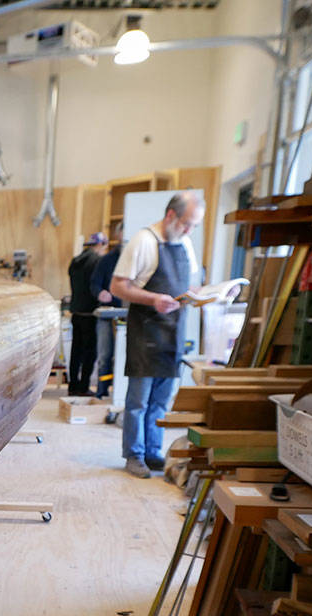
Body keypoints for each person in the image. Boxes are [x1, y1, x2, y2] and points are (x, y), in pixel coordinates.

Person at [110, 191, 204, 479]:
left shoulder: (184, 243)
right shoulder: (143, 241)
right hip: (146, 331)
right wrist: (153, 299)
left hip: (173, 331)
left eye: (194, 227)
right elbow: (118, 286)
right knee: (138, 401)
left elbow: (192, 283)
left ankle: (153, 451)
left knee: (161, 401)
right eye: (186, 224)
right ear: (170, 215)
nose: (189, 231)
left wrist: (208, 295)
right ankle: (134, 455)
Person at [65, 232, 107, 396]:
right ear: (100, 245)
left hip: (76, 312)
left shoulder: (74, 261)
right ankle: (83, 387)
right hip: (90, 313)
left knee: (76, 351)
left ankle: (72, 385)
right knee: (90, 352)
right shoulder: (97, 262)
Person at [89, 223, 124, 400]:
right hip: (106, 314)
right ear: (118, 236)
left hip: (130, 315)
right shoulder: (107, 260)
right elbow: (94, 284)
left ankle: (121, 392)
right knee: (105, 354)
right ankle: (102, 390)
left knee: (125, 356)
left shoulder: (141, 259)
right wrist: (100, 292)